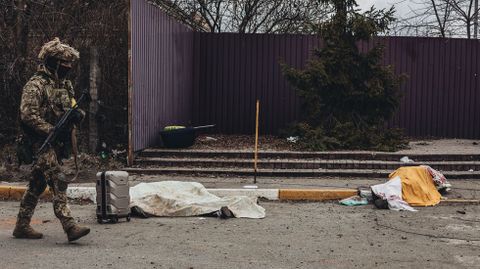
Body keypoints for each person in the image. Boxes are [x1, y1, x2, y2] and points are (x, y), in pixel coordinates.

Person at [13, 37, 90, 242]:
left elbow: (72, 106)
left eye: (69, 65)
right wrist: (49, 129)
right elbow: (27, 115)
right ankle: (69, 225)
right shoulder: (35, 84)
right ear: (53, 62)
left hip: (57, 141)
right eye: (64, 64)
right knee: (57, 178)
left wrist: (77, 114)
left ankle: (21, 226)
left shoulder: (65, 85)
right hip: (37, 141)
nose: (68, 68)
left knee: (37, 185)